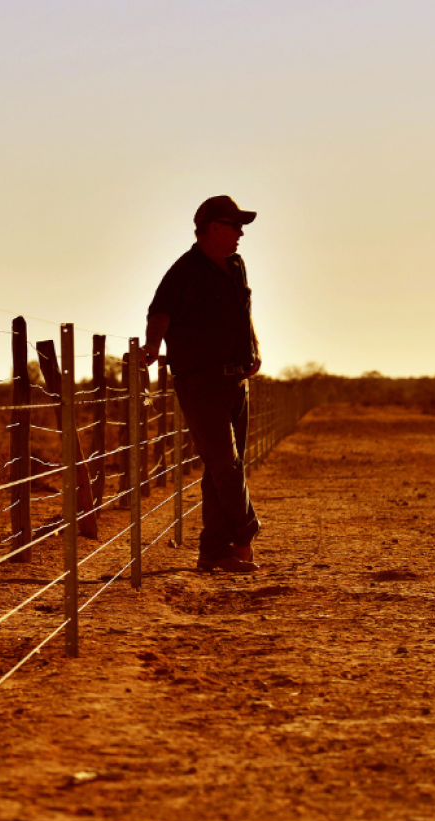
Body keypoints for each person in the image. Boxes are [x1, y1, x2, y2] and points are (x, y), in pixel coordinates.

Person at [141, 195, 262, 573]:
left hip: (236, 381)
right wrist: (151, 347)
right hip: (201, 381)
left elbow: (244, 311)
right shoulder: (185, 271)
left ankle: (214, 551)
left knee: (221, 467)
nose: (241, 233)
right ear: (213, 228)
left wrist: (255, 345)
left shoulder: (236, 265)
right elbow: (159, 312)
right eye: (234, 226)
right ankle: (245, 532)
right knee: (226, 464)